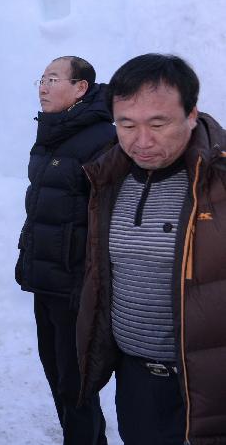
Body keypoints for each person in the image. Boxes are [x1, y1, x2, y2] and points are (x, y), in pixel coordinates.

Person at [76, 53, 226, 445]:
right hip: (136, 382)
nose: (141, 141)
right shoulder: (108, 178)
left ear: (192, 114)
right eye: (126, 124)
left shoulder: (219, 185)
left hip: (210, 384)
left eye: (158, 123)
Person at [16, 56, 114, 444]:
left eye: (53, 79)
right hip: (47, 279)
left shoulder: (101, 138)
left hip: (76, 283)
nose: (43, 86)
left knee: (75, 383)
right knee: (56, 374)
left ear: (80, 88)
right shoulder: (51, 134)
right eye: (41, 78)